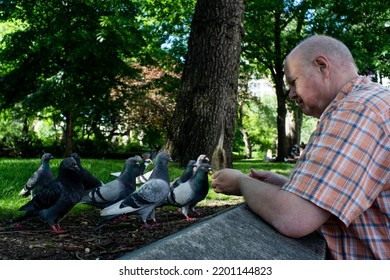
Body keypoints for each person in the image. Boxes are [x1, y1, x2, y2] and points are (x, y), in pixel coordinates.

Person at [211, 35, 390, 260]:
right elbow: (353, 199)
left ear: (322, 66)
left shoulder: (356, 110)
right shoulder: (376, 101)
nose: (292, 94)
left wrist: (240, 182)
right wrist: (287, 186)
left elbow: (293, 217)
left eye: (293, 81)